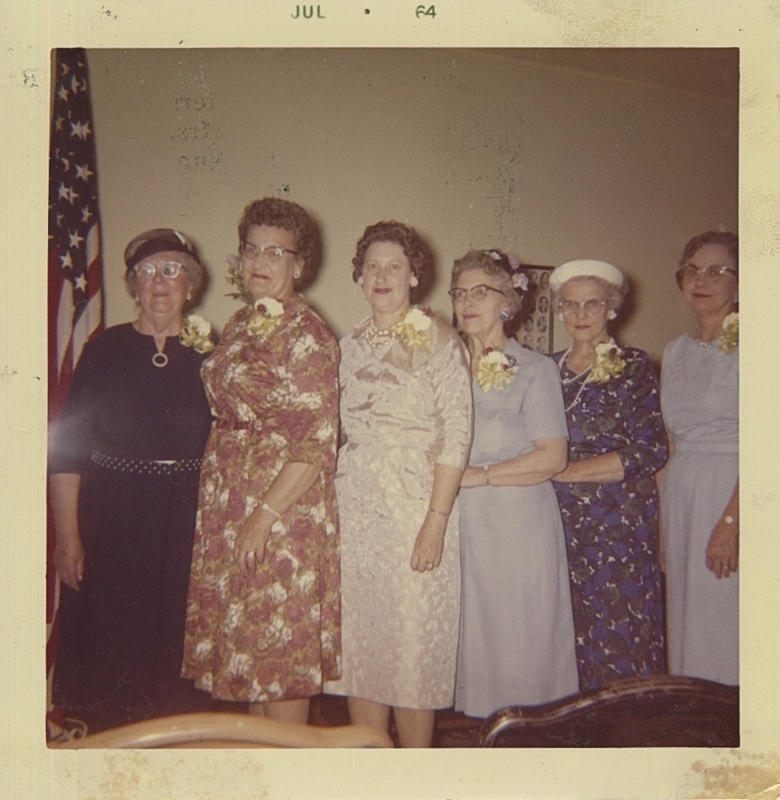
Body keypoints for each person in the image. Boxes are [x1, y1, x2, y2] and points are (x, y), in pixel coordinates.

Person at [182, 198, 340, 724]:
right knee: (250, 655)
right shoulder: (241, 322)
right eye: (252, 248)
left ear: (300, 265)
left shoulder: (308, 335)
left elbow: (315, 444)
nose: (260, 260)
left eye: (276, 251)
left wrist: (262, 515)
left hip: (282, 510)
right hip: (233, 499)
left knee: (279, 656)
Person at [50, 228, 215, 732]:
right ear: (132, 284)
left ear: (191, 284)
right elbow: (69, 448)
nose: (159, 282)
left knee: (177, 644)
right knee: (115, 643)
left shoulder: (214, 352)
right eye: (147, 272)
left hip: (187, 519)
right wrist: (68, 535)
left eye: (172, 270)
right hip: (113, 518)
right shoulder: (105, 350)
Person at [323, 221, 472, 747]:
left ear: (414, 277)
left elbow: (456, 435)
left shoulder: (440, 340)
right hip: (356, 506)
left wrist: (434, 522)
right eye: (372, 266)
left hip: (416, 506)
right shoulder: (346, 345)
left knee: (411, 653)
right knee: (362, 649)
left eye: (394, 266)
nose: (381, 275)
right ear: (359, 275)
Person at [451, 249, 578, 718]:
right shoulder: (447, 370)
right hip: (467, 524)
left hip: (519, 526)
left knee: (522, 645)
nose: (467, 302)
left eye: (480, 292)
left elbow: (553, 456)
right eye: (460, 293)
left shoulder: (536, 370)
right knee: (479, 648)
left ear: (507, 301)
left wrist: (480, 477)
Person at [550, 259, 668, 691]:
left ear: (612, 308)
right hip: (560, 522)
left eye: (592, 304)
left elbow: (650, 448)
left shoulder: (633, 365)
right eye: (571, 305)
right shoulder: (548, 368)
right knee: (568, 630)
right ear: (560, 311)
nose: (580, 315)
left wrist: (563, 471)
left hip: (618, 525)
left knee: (621, 631)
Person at [659, 231, 739, 686]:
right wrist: (663, 525)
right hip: (683, 495)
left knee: (727, 620)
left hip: (734, 491)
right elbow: (670, 442)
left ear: (741, 284)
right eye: (692, 269)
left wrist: (731, 525)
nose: (700, 279)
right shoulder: (675, 351)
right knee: (687, 621)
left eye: (716, 270)